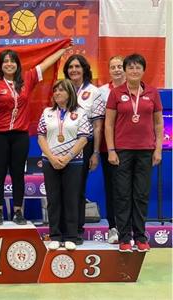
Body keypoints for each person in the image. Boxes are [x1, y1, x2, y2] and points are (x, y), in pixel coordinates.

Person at [0, 44, 71, 226]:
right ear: (1, 65)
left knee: (18, 174)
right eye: (5, 61)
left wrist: (62, 49)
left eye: (12, 61)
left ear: (18, 65)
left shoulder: (28, 78)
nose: (9, 64)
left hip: (20, 135)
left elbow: (46, 64)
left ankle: (18, 211)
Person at [105, 54, 163, 253]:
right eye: (130, 67)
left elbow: (158, 123)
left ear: (143, 71)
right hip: (122, 151)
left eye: (138, 67)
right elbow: (109, 124)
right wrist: (111, 149)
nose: (134, 71)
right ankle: (124, 237)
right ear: (126, 71)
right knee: (122, 195)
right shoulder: (116, 93)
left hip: (146, 151)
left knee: (141, 195)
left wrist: (158, 149)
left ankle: (140, 237)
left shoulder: (153, 93)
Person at [38, 79, 90, 250]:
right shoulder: (47, 112)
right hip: (50, 161)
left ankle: (71, 236)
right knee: (53, 199)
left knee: (71, 199)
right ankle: (55, 235)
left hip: (73, 162)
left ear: (70, 93)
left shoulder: (80, 113)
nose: (57, 93)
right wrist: (52, 157)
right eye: (55, 90)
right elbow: (41, 137)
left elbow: (83, 138)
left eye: (61, 90)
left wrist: (67, 157)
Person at [63, 55, 104, 243]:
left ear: (84, 69)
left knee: (77, 188)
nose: (74, 70)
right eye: (70, 67)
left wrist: (95, 152)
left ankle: (77, 228)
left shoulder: (94, 92)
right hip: (61, 145)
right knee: (63, 187)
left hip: (84, 145)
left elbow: (97, 126)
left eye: (77, 66)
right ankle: (62, 227)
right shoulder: (62, 89)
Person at [98, 55, 126, 244]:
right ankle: (113, 227)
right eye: (113, 67)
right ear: (109, 70)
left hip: (130, 146)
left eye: (120, 66)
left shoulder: (136, 90)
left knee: (128, 189)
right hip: (107, 148)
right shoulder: (101, 92)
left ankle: (128, 227)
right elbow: (99, 121)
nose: (117, 70)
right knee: (112, 188)